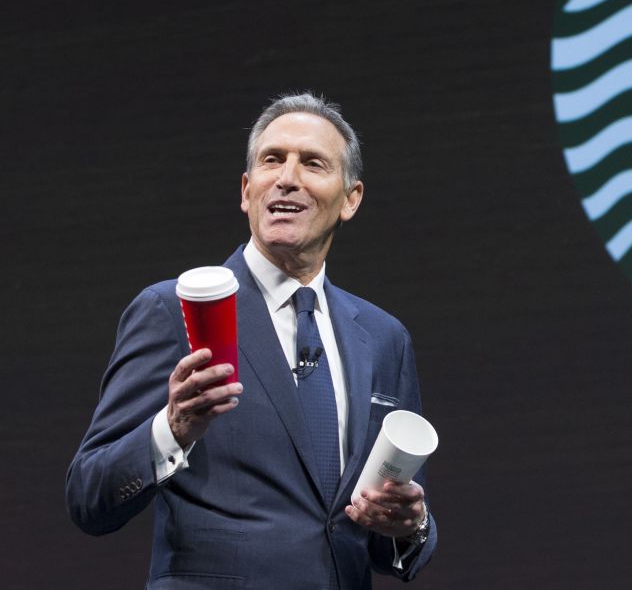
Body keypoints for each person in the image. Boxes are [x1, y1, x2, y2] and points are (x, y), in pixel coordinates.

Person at [66, 93, 437, 589]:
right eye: (271, 160)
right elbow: (90, 494)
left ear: (351, 198)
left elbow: (384, 528)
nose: (287, 177)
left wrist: (410, 527)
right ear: (247, 190)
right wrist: (170, 430)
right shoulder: (173, 310)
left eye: (312, 163)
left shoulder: (384, 337)